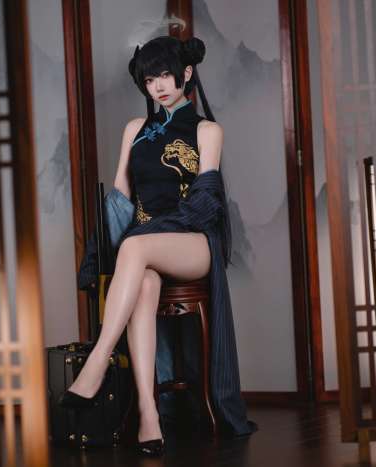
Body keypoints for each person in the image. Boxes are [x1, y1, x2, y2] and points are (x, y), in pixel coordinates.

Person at [59, 35, 256, 457]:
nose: (159, 86)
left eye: (166, 75)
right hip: (146, 246)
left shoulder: (207, 130)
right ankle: (150, 416)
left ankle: (98, 361)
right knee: (143, 278)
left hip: (193, 242)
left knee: (134, 248)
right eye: (150, 80)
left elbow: (206, 201)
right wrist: (98, 254)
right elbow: (120, 198)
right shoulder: (135, 130)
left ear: (186, 73)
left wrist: (149, 233)